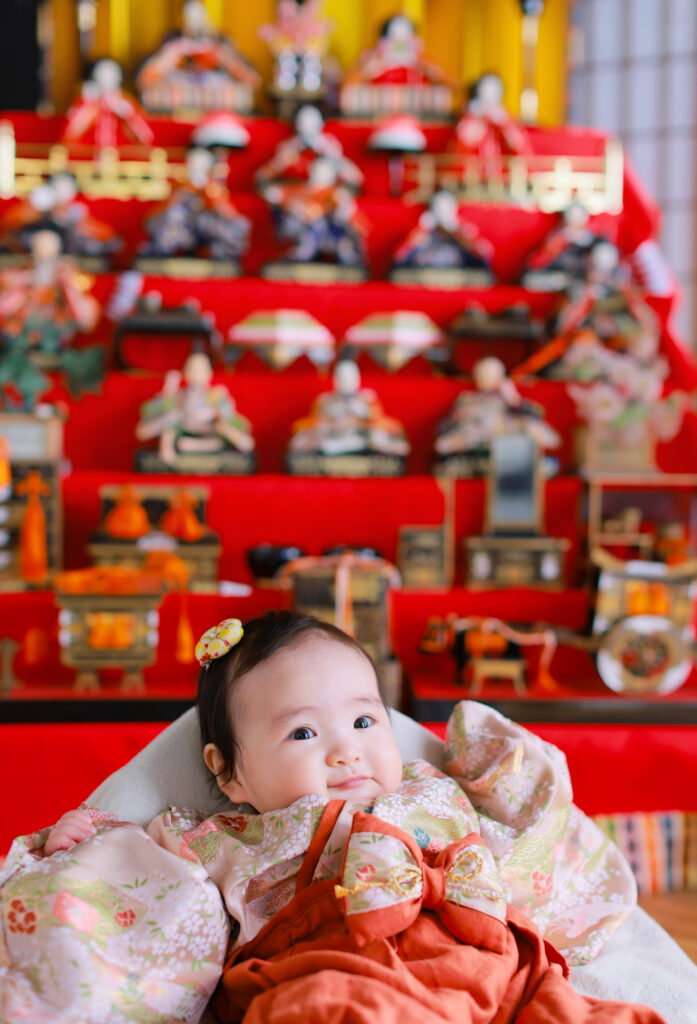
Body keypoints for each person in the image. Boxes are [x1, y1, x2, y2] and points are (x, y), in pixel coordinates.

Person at [36, 610, 664, 1023]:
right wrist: (85, 840)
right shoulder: (225, 836)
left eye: (365, 720)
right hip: (333, 959)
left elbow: (521, 841)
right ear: (229, 774)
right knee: (325, 1009)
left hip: (488, 955)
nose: (347, 750)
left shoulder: (432, 787)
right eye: (303, 733)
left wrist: (503, 769)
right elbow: (146, 883)